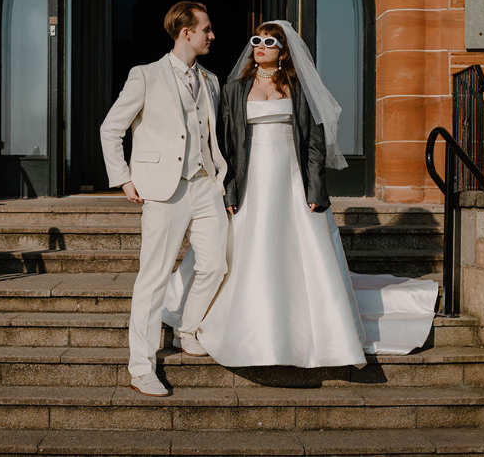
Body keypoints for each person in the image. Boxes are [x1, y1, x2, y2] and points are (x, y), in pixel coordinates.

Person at [163, 20, 439, 368]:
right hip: (250, 182)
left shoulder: (298, 88)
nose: (260, 46)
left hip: (290, 180)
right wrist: (229, 191)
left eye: (269, 41)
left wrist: (315, 188)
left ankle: (307, 330)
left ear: (283, 50)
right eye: (256, 40)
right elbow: (226, 148)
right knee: (236, 252)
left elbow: (313, 144)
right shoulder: (235, 88)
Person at [100, 1, 228, 396]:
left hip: (207, 183)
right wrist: (123, 179)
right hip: (162, 188)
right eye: (206, 29)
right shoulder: (145, 75)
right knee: (153, 279)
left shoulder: (211, 79)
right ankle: (141, 366)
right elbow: (111, 128)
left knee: (215, 265)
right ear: (185, 32)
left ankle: (185, 330)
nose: (212, 35)